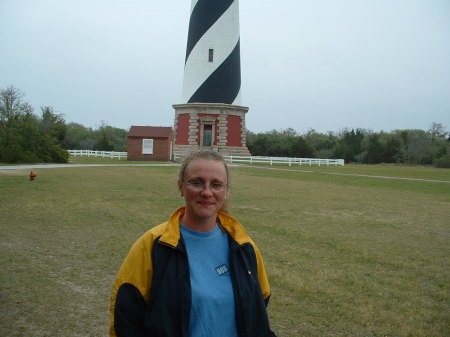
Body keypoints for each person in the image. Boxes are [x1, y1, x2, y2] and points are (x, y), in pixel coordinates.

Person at [109, 149, 276, 337]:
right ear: (181, 187)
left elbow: (259, 305)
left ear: (226, 190)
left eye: (216, 184)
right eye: (197, 183)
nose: (207, 192)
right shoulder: (153, 245)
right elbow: (125, 316)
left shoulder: (244, 246)